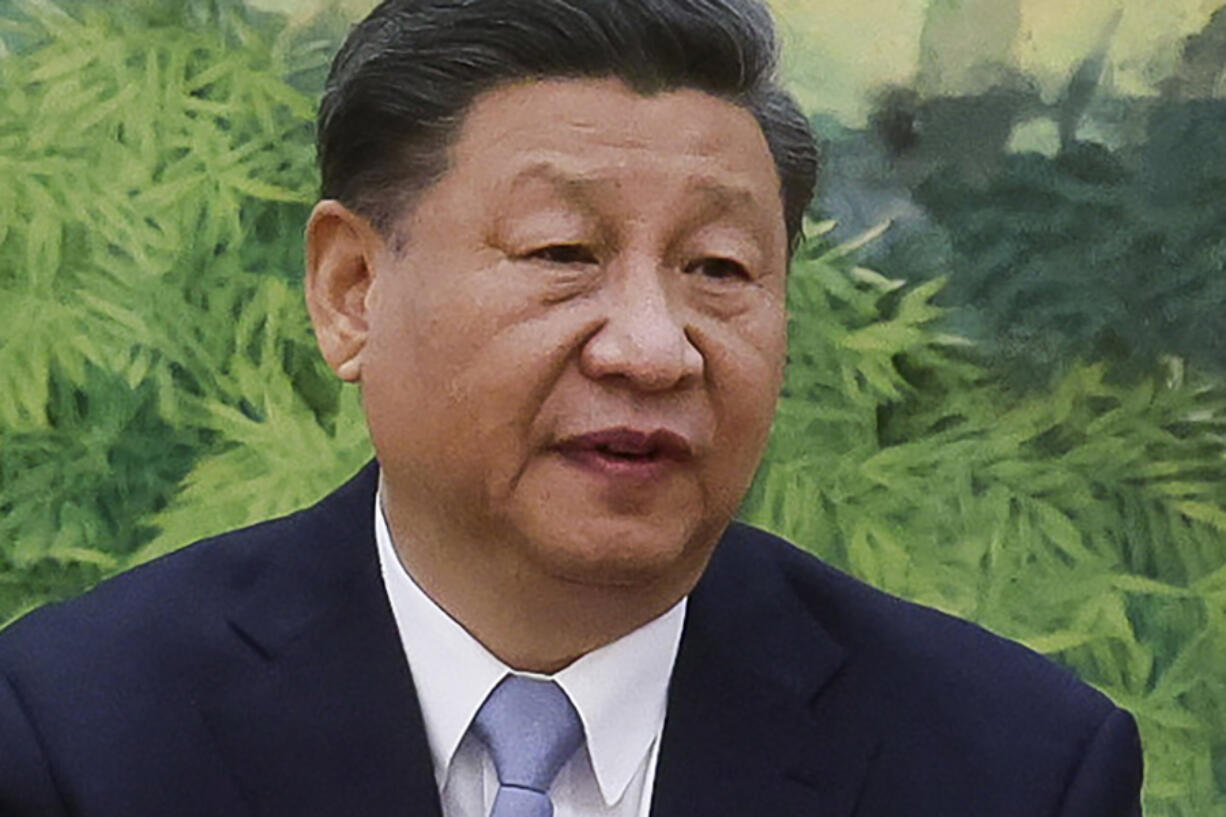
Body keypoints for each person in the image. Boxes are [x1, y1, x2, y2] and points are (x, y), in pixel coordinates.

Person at [0, 1, 1143, 815]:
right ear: (352, 290)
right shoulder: (74, 734)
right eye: (561, 249)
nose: (653, 350)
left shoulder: (1012, 766)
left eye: (718, 268)